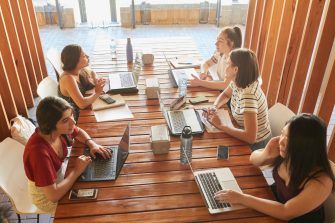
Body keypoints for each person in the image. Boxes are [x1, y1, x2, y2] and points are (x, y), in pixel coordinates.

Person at [214, 114, 335, 222]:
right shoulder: (286, 152)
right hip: (275, 202)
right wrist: (266, 153)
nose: (281, 141)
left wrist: (241, 198)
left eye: (289, 138)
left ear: (306, 146)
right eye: (282, 133)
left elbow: (285, 212)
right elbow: (254, 160)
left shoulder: (321, 181)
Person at [23, 96, 112, 214]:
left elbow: (79, 132)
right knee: (92, 207)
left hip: (60, 176)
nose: (73, 122)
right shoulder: (38, 153)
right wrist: (76, 170)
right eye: (65, 120)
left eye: (71, 115)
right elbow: (53, 196)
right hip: (47, 196)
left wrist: (91, 144)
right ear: (50, 125)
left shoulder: (58, 131)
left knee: (98, 188)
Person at [205, 48, 271, 151]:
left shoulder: (248, 95)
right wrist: (215, 106)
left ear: (236, 70)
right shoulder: (237, 81)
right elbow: (226, 95)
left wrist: (221, 126)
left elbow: (250, 137)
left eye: (227, 64)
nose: (225, 68)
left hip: (256, 146)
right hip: (241, 130)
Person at [58, 44, 106, 121]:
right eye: (84, 55)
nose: (88, 56)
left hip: (84, 111)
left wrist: (95, 79)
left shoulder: (78, 69)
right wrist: (97, 93)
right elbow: (82, 104)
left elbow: (92, 72)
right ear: (74, 60)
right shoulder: (68, 78)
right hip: (74, 118)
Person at [188, 26, 242, 90]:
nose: (216, 43)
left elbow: (225, 86)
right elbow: (206, 63)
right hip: (220, 91)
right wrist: (203, 73)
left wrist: (200, 82)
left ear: (231, 44)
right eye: (217, 40)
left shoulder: (234, 62)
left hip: (228, 96)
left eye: (220, 41)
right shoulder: (220, 54)